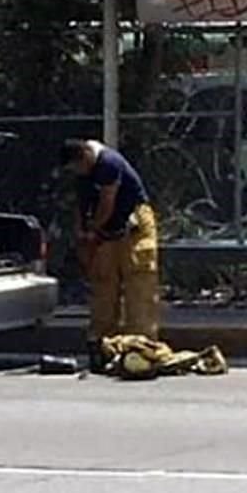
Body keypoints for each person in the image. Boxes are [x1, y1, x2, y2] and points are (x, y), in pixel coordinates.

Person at [60, 139, 160, 371]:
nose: (79, 172)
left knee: (138, 283)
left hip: (132, 224)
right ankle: (104, 345)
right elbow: (81, 206)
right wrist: (81, 233)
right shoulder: (82, 172)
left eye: (79, 166)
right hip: (105, 229)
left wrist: (93, 231)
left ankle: (141, 347)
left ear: (86, 154)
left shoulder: (108, 164)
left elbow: (107, 203)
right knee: (103, 283)